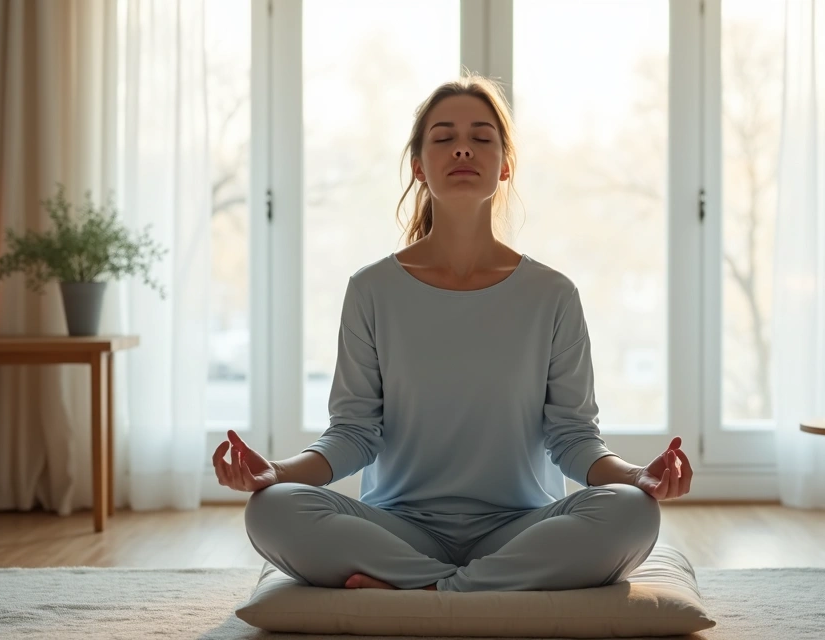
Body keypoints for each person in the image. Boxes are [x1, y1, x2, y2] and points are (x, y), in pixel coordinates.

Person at [211, 74, 693, 593]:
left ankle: (425, 593)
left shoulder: (552, 294)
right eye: (443, 137)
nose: (463, 146)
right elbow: (353, 433)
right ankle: (477, 592)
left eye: (482, 137)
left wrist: (637, 477)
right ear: (418, 166)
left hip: (521, 528)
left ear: (505, 165)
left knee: (632, 512)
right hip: (397, 528)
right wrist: (276, 474)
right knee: (272, 511)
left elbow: (573, 439)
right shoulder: (372, 289)